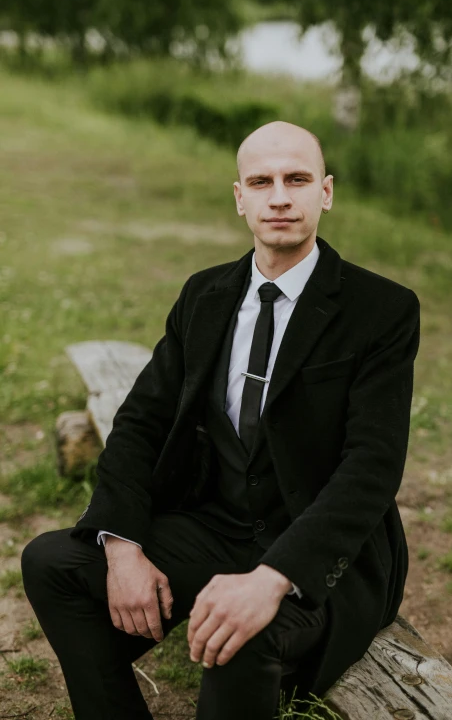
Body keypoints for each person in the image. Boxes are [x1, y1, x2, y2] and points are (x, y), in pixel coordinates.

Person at [21, 120, 421, 720]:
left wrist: (274, 578)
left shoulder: (382, 310)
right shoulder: (204, 295)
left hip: (321, 554)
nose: (280, 196)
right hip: (220, 526)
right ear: (240, 198)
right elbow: (141, 421)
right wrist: (123, 544)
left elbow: (372, 467)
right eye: (261, 181)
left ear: (326, 192)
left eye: (297, 179)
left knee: (242, 636)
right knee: (53, 564)